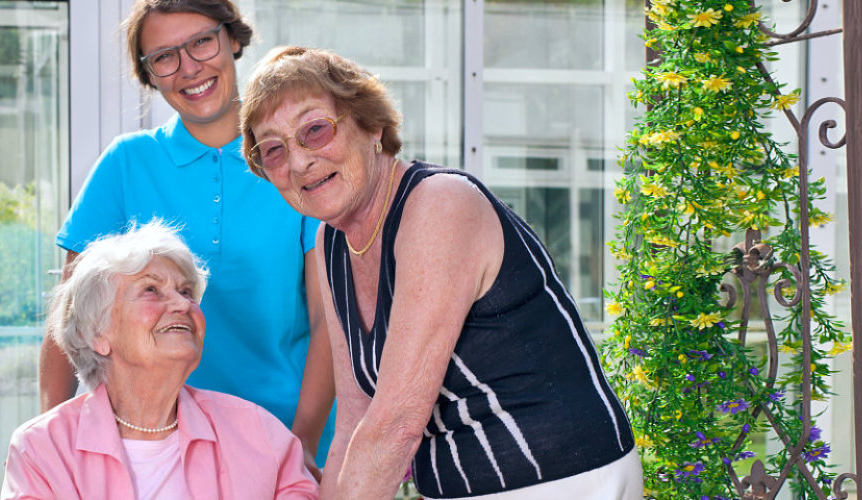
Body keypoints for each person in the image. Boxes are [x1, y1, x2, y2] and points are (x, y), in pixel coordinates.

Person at [239, 46, 644, 499]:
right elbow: (357, 419)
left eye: (314, 130)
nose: (298, 163)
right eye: (273, 150)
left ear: (372, 125)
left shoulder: (439, 204)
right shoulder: (333, 242)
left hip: (562, 479)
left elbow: (395, 425)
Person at [45, 0, 335, 468]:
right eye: (164, 56)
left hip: (284, 436)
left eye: (201, 42)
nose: (188, 68)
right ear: (150, 74)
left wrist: (302, 439)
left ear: (233, 39)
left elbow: (331, 319)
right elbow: (70, 320)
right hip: (151, 443)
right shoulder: (125, 164)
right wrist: (51, 443)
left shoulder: (291, 158)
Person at [3, 222, 319, 499]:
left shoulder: (260, 434)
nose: (182, 304)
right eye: (151, 290)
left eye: (186, 291)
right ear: (97, 332)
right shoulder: (42, 449)